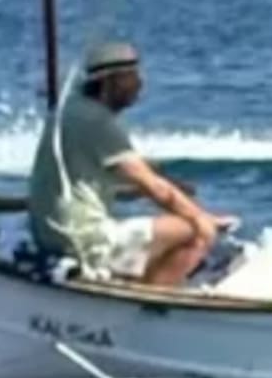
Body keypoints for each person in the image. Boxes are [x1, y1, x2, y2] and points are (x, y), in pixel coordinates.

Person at [26, 41, 236, 286]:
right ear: (107, 83)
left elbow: (99, 182)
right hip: (82, 238)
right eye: (130, 78)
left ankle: (143, 288)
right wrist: (202, 218)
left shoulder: (70, 109)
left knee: (167, 229)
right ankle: (154, 307)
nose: (139, 84)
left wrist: (171, 190)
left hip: (52, 234)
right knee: (193, 231)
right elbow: (153, 187)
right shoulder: (98, 122)